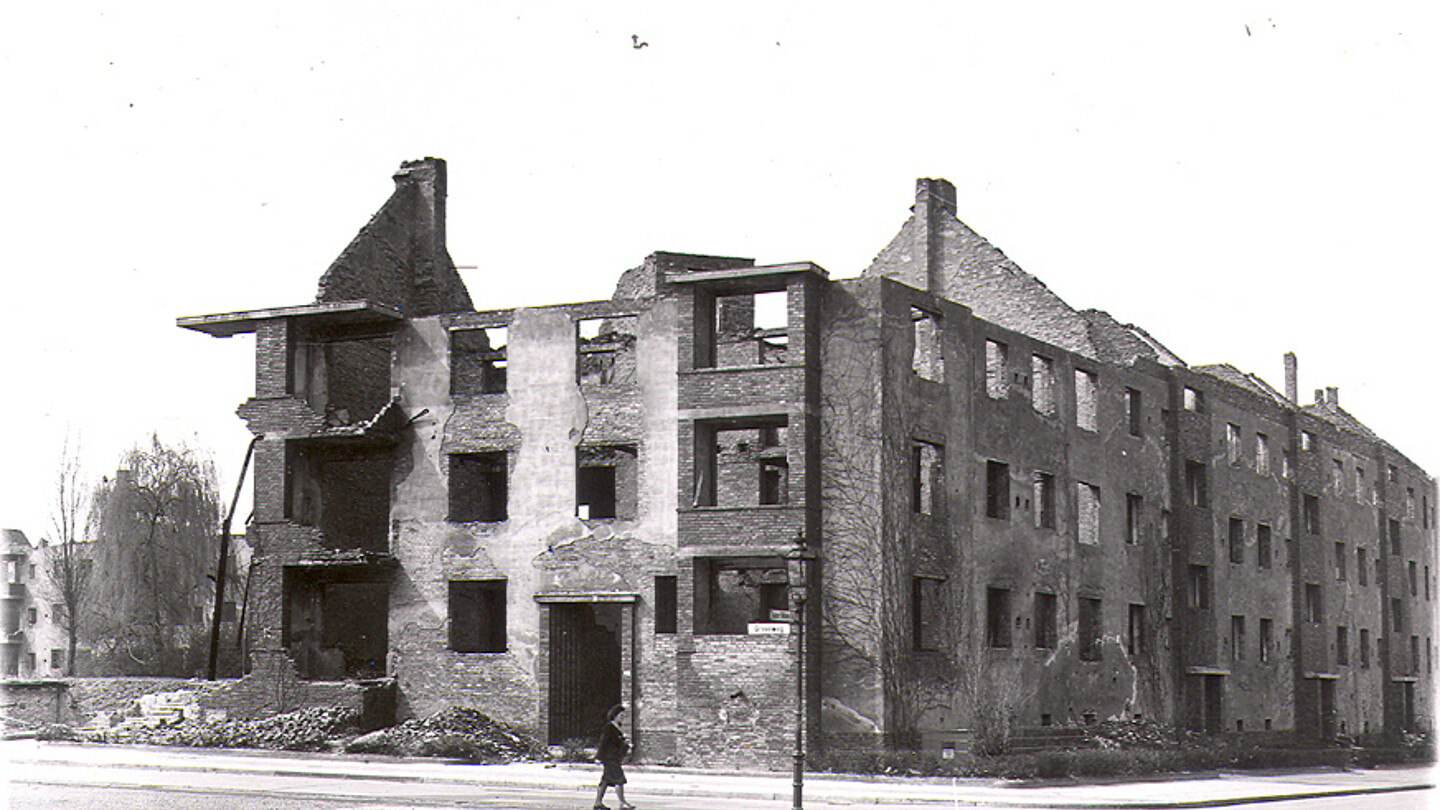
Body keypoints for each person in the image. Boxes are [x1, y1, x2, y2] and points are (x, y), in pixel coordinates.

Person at [593, 703, 634, 810]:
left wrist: (626, 744)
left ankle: (598, 803)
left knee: (606, 780)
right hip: (610, 758)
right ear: (615, 715)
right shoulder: (609, 727)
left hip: (613, 757)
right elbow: (604, 743)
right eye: (621, 716)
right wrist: (598, 757)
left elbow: (617, 743)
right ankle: (622, 803)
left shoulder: (617, 728)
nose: (622, 718)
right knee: (619, 779)